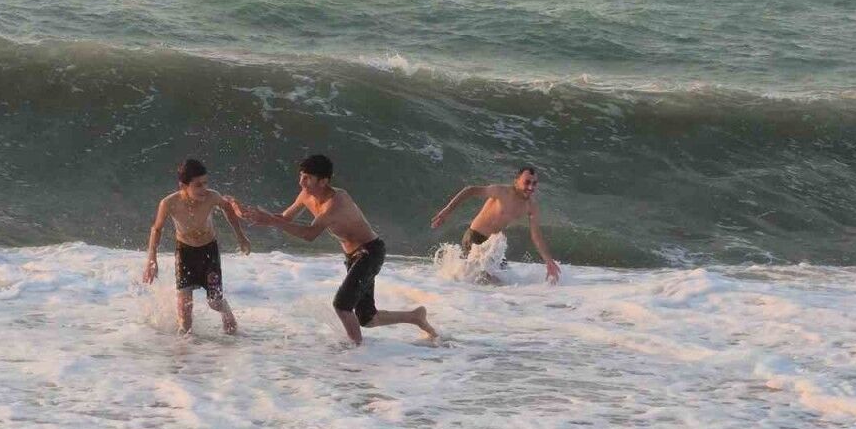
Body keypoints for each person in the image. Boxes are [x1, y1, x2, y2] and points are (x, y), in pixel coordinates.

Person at [233, 154, 437, 346]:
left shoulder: (337, 202)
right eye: (301, 176)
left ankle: (357, 351)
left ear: (323, 181)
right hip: (353, 256)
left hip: (370, 252)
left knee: (342, 305)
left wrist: (272, 221)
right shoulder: (306, 194)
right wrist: (256, 216)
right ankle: (414, 316)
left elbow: (310, 234)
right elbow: (285, 218)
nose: (302, 182)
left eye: (307, 178)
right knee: (367, 318)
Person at [143, 158, 251, 335]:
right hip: (185, 253)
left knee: (214, 302)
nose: (204, 189)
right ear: (183, 186)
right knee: (184, 313)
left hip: (209, 252)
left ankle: (225, 310)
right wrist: (151, 259)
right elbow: (156, 229)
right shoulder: (169, 203)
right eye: (198, 185)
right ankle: (186, 349)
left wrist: (241, 236)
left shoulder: (212, 197)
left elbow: (228, 209)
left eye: (206, 183)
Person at [430, 166, 561, 283]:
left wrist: (548, 261)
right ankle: (455, 291)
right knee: (488, 280)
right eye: (527, 182)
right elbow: (470, 190)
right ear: (516, 181)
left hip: (492, 246)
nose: (531, 187)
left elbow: (536, 235)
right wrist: (446, 211)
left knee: (506, 277)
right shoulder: (501, 192)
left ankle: (466, 291)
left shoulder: (531, 206)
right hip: (474, 238)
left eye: (534, 183)